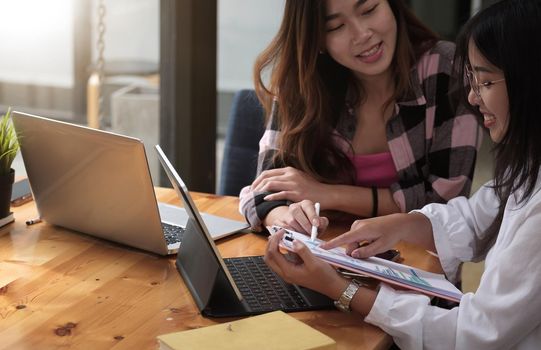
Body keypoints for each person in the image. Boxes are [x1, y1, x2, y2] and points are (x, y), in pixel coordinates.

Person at [265, 0, 541, 348]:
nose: (472, 96)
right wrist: (401, 224)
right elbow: (477, 215)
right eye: (336, 26)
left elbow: (473, 335)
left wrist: (342, 289)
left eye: (485, 82)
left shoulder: (437, 69)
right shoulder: (528, 165)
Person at [239, 0, 481, 235]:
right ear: (318, 38)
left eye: (369, 9)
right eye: (336, 27)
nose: (362, 34)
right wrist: (283, 217)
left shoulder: (446, 68)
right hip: (321, 259)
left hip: (414, 267)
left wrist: (328, 194)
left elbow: (445, 201)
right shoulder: (303, 82)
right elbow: (262, 190)